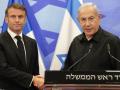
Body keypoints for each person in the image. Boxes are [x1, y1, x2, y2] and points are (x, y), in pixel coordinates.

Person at [63, 3, 120, 71]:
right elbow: (66, 71)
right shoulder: (76, 41)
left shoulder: (112, 41)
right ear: (78, 21)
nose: (87, 24)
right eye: (83, 19)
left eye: (91, 18)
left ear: (99, 18)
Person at [0, 3, 44, 90]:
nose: (17, 20)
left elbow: (35, 72)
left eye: (20, 17)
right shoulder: (1, 41)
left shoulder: (32, 43)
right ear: (6, 19)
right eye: (13, 16)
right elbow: (3, 69)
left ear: (25, 19)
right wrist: (32, 79)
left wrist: (39, 81)